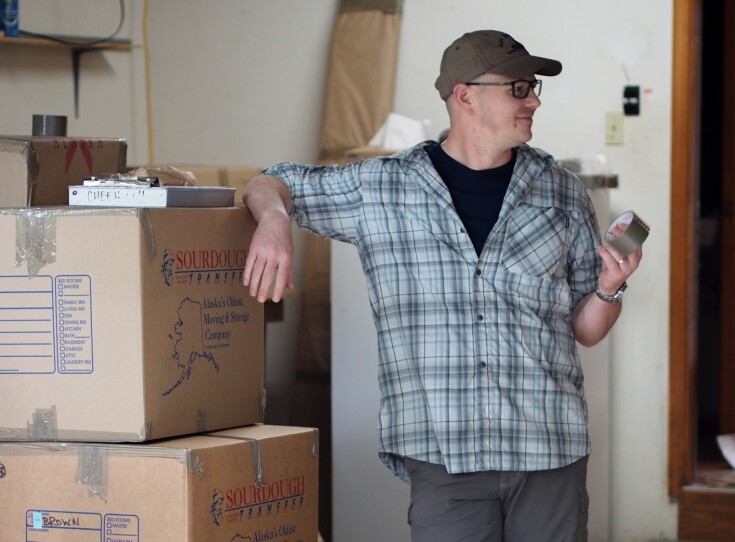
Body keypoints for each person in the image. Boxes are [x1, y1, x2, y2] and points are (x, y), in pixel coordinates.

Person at [242, 29, 642, 542]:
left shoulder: (562, 193)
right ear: (465, 95)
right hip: (445, 458)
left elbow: (587, 330)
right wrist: (274, 220)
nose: (535, 99)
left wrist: (610, 288)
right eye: (518, 88)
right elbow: (270, 181)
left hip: (550, 451)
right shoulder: (381, 188)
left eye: (535, 86)